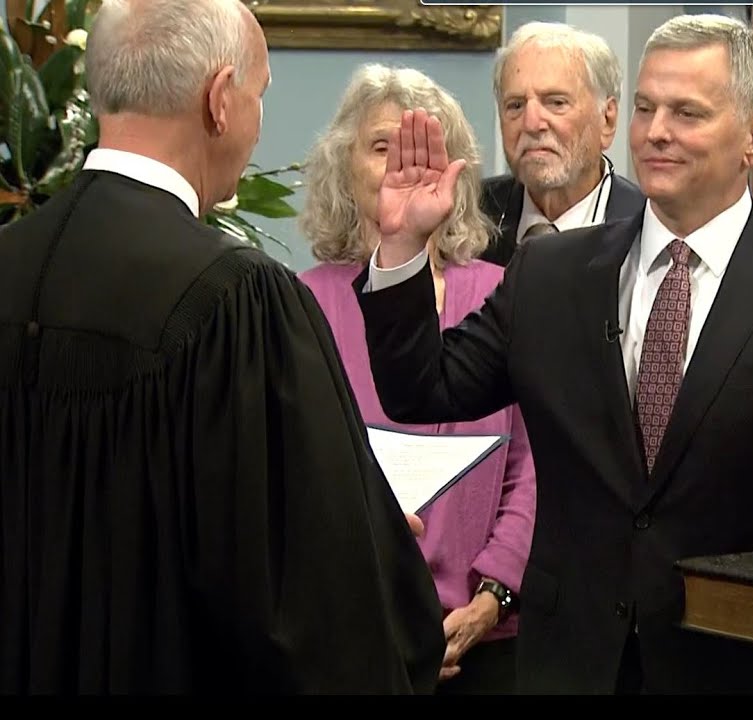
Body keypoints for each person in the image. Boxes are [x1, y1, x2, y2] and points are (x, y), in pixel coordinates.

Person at [356, 14, 753, 694]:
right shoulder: (549, 272)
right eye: (647, 108)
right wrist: (402, 251)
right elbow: (425, 390)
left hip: (735, 655)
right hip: (572, 660)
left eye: (687, 113)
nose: (655, 132)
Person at [0, 0, 444, 694]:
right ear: (219, 101)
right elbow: (315, 605)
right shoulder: (239, 304)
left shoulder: (10, 262)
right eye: (259, 94)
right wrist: (367, 536)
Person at [297, 64, 536, 695]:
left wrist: (495, 593)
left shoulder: (504, 292)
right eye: (382, 147)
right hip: (352, 631)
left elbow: (535, 466)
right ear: (342, 167)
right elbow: (291, 467)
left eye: (424, 149)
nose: (404, 167)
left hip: (495, 637)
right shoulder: (299, 305)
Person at [479, 21, 646, 267]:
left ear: (607, 119)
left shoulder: (647, 227)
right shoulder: (470, 214)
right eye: (515, 105)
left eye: (556, 103)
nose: (532, 124)